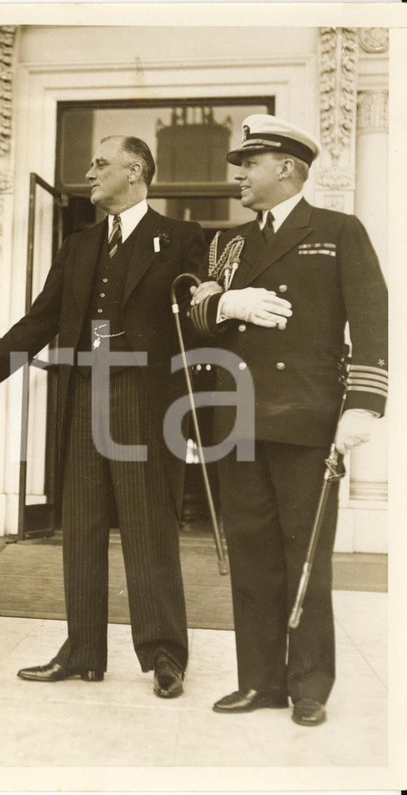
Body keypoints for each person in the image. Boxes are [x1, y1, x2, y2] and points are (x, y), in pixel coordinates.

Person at [0, 136, 206, 699]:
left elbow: (201, 320)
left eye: (100, 163)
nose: (88, 172)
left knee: (148, 529)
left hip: (144, 402)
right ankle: (83, 649)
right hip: (83, 398)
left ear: (135, 171)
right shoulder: (79, 244)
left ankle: (165, 653)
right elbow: (42, 318)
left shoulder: (183, 239)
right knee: (82, 529)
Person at [188, 115, 388, 727]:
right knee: (252, 558)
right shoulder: (230, 244)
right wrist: (223, 301)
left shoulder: (337, 230)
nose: (239, 175)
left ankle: (309, 687)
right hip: (240, 421)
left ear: (287, 168)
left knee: (306, 557)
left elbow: (372, 319)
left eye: (249, 164)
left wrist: (364, 403)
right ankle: (260, 682)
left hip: (307, 422)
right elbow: (193, 320)